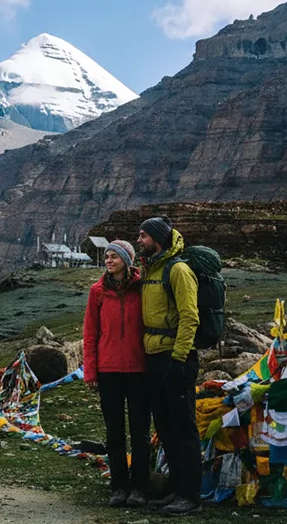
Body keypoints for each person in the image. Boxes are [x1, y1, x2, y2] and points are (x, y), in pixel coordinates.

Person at [136, 216, 202, 516]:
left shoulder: (178, 270)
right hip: (154, 357)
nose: (139, 240)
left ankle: (190, 495)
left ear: (158, 240)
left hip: (176, 358)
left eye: (144, 236)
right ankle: (176, 489)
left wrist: (179, 358)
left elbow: (190, 316)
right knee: (165, 427)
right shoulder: (151, 269)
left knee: (183, 427)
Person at [83, 240, 149, 508]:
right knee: (114, 432)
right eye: (107, 256)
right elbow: (90, 333)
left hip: (139, 370)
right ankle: (119, 487)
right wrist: (90, 371)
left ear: (127, 260)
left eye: (114, 256)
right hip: (108, 370)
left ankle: (140, 487)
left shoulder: (142, 288)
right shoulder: (97, 291)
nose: (108, 260)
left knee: (140, 431)